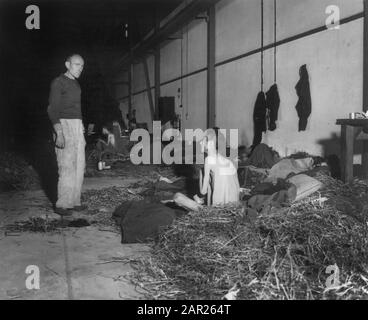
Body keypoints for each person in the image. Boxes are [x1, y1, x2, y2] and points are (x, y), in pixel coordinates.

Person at [47, 54, 86, 216]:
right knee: (67, 166)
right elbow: (52, 109)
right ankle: (62, 204)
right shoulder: (58, 82)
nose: (80, 68)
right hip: (64, 125)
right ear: (67, 64)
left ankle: (74, 201)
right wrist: (59, 133)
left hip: (77, 126)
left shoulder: (76, 84)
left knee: (79, 165)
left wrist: (81, 124)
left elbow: (76, 107)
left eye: (82, 66)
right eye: (77, 65)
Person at [199, 128, 240, 206]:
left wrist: (200, 194)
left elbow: (204, 191)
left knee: (202, 174)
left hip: (220, 201)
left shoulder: (208, 159)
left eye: (203, 141)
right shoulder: (225, 159)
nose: (200, 143)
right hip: (234, 199)